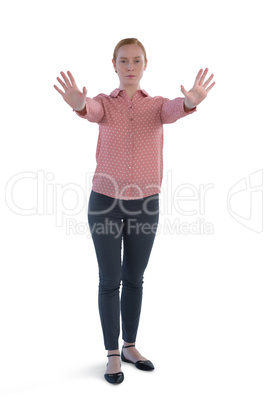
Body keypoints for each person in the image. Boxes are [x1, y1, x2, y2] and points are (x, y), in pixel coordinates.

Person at [53, 37, 216, 385]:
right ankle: (112, 353)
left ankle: (130, 346)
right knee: (110, 280)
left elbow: (175, 109)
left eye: (136, 61)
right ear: (114, 65)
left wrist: (189, 102)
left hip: (145, 204)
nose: (130, 67)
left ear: (145, 65)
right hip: (105, 203)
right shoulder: (103, 104)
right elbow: (90, 111)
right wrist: (79, 105)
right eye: (123, 61)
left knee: (135, 279)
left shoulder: (156, 106)